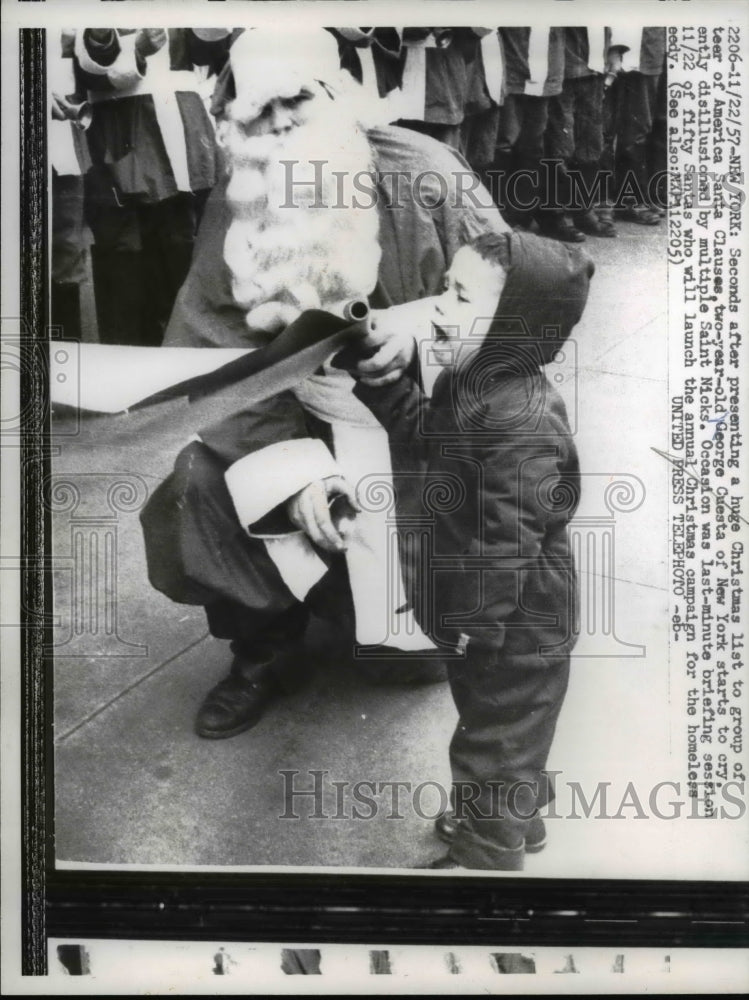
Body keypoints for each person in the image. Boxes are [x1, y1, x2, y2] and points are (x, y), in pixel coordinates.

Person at [140, 27, 511, 740]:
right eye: (259, 110)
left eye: (298, 101)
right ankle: (264, 650)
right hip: (295, 422)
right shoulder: (239, 197)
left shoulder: (426, 171)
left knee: (406, 662)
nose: (280, 124)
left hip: (419, 428)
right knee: (195, 485)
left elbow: (515, 308)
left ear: (338, 95)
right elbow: (213, 351)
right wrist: (295, 475)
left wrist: (421, 338)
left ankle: (387, 607)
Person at [352, 229, 593, 869]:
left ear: (512, 329)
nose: (437, 305)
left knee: (493, 744)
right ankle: (519, 817)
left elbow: (509, 540)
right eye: (444, 288)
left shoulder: (523, 421)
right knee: (499, 729)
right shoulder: (466, 383)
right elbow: (424, 442)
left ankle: (485, 860)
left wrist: (474, 626)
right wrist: (381, 383)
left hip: (518, 625)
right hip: (486, 618)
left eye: (460, 297)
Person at [69, 28, 229, 346]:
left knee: (184, 245)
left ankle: (187, 352)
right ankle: (130, 358)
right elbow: (90, 71)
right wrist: (136, 50)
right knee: (123, 253)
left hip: (184, 126)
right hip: (120, 128)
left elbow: (208, 53)